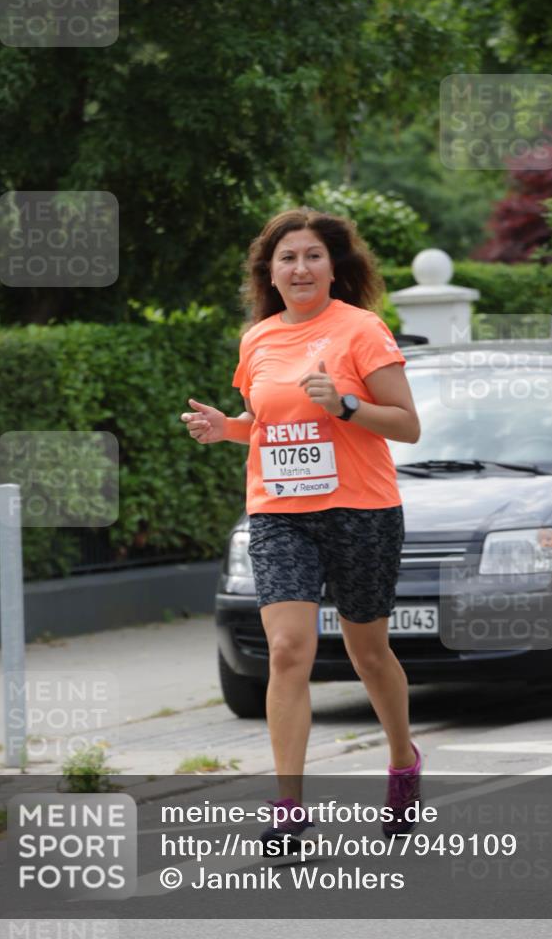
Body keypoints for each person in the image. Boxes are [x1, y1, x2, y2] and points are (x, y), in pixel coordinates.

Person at [181, 207, 423, 850]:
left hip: (361, 508)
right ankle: (288, 805)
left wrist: (345, 403)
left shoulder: (362, 330)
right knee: (288, 651)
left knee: (369, 652)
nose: (300, 268)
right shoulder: (258, 338)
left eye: (313, 255)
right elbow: (264, 420)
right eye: (287, 258)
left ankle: (403, 763)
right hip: (280, 511)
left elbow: (406, 424)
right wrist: (225, 428)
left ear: (335, 266)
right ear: (270, 271)